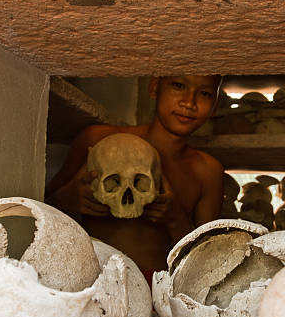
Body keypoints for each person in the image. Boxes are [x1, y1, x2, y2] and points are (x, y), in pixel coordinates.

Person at [45, 75, 224, 283]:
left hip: (159, 290)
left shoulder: (208, 171)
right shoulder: (99, 142)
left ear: (215, 105)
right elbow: (42, 208)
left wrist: (176, 219)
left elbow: (207, 261)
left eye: (204, 93)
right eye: (178, 85)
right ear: (155, 87)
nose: (189, 102)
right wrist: (66, 199)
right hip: (93, 281)